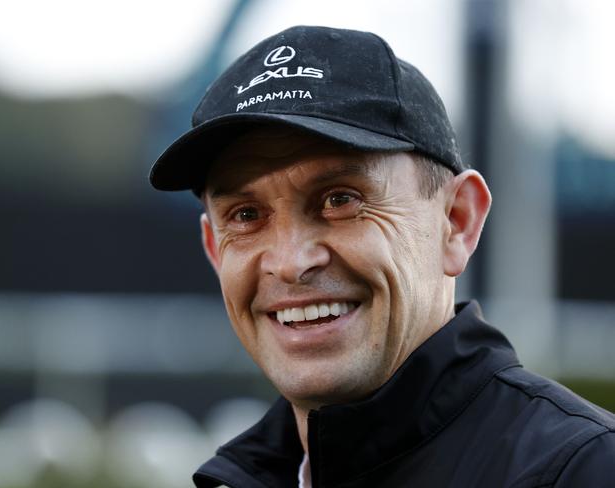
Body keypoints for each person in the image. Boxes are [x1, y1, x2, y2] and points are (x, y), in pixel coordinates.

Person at [149, 26, 615, 487]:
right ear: (214, 250)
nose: (291, 262)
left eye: (340, 200)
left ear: (456, 221)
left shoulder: (585, 470)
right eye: (247, 214)